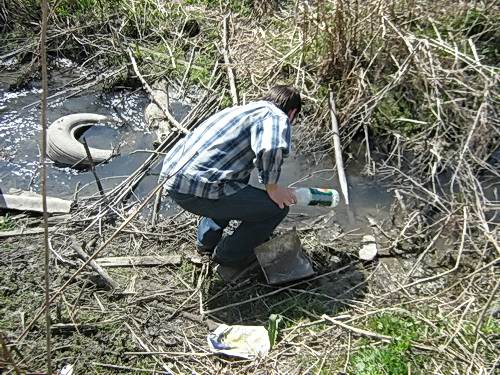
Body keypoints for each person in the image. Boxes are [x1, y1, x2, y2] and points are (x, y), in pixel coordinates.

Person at [160, 85, 302, 269]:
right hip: (197, 188)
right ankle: (228, 256)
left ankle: (205, 244)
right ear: (292, 113)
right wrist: (273, 188)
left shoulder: (242, 110)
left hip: (174, 178)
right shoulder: (276, 116)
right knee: (276, 208)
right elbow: (270, 148)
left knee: (237, 181)